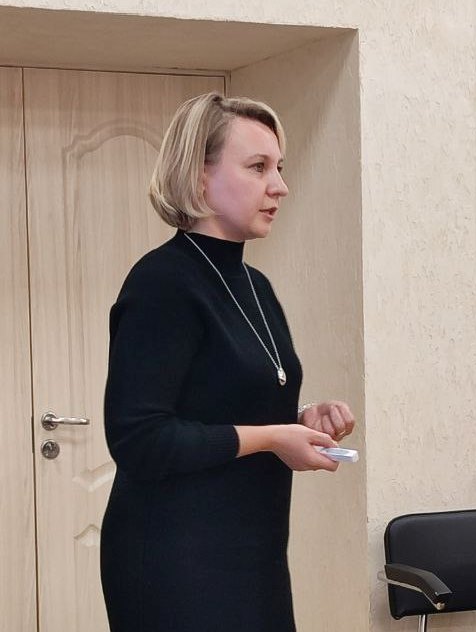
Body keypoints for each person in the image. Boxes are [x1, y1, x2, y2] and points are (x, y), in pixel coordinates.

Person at [100, 92, 355, 632]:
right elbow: (139, 438)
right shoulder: (162, 283)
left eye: (280, 167)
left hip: (253, 552)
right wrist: (272, 437)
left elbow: (219, 403)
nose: (279, 186)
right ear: (199, 179)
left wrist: (300, 418)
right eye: (258, 167)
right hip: (174, 562)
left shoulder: (255, 286)